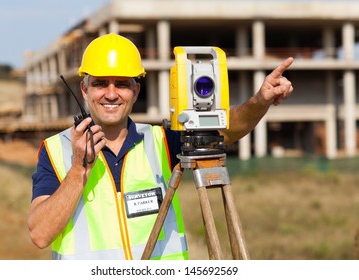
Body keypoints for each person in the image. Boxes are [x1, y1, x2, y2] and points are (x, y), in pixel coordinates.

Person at [28, 33, 294, 260]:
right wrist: (78, 170)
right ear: (84, 90)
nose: (111, 93)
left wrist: (260, 101)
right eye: (100, 84)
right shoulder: (56, 150)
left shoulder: (159, 141)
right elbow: (40, 234)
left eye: (122, 84)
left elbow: (226, 130)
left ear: (136, 91)